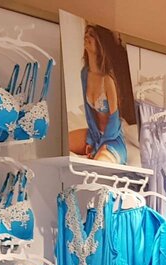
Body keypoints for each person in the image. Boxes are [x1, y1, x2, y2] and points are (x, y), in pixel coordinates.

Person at [68, 24, 127, 163]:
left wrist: (99, 146)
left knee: (100, 163)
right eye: (86, 33)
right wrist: (91, 140)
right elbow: (90, 113)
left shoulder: (108, 80)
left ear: (101, 45)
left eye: (92, 35)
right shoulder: (84, 74)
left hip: (111, 137)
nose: (87, 36)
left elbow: (114, 120)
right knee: (60, 142)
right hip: (94, 134)